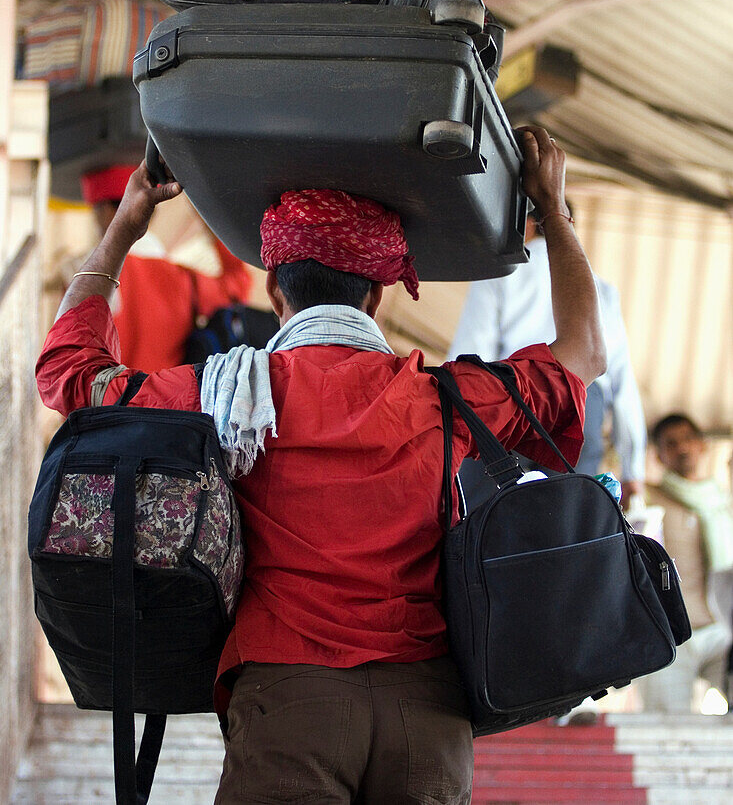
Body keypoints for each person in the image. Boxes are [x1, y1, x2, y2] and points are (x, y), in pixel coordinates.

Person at [36, 127, 606, 804]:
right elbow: (583, 354)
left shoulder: (218, 394)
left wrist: (126, 226)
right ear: (378, 296)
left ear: (274, 286)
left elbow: (68, 372)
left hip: (288, 703)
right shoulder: (446, 398)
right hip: (427, 714)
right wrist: (554, 213)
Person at [449, 207, 646, 511]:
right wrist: (633, 469)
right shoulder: (601, 290)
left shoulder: (501, 273)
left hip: (507, 395)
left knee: (485, 515)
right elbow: (622, 387)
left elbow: (471, 352)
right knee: (569, 520)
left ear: (524, 223)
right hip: (580, 402)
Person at [79, 163, 253, 370]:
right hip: (156, 399)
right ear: (151, 212)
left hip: (99, 400)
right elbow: (238, 285)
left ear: (105, 213)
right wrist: (203, 207)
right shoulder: (185, 283)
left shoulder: (82, 279)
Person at [638, 413, 733, 714]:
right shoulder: (648, 501)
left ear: (702, 445)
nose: (682, 448)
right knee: (666, 730)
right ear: (659, 456)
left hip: (722, 632)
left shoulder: (722, 502)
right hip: (671, 636)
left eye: (688, 439)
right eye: (671, 443)